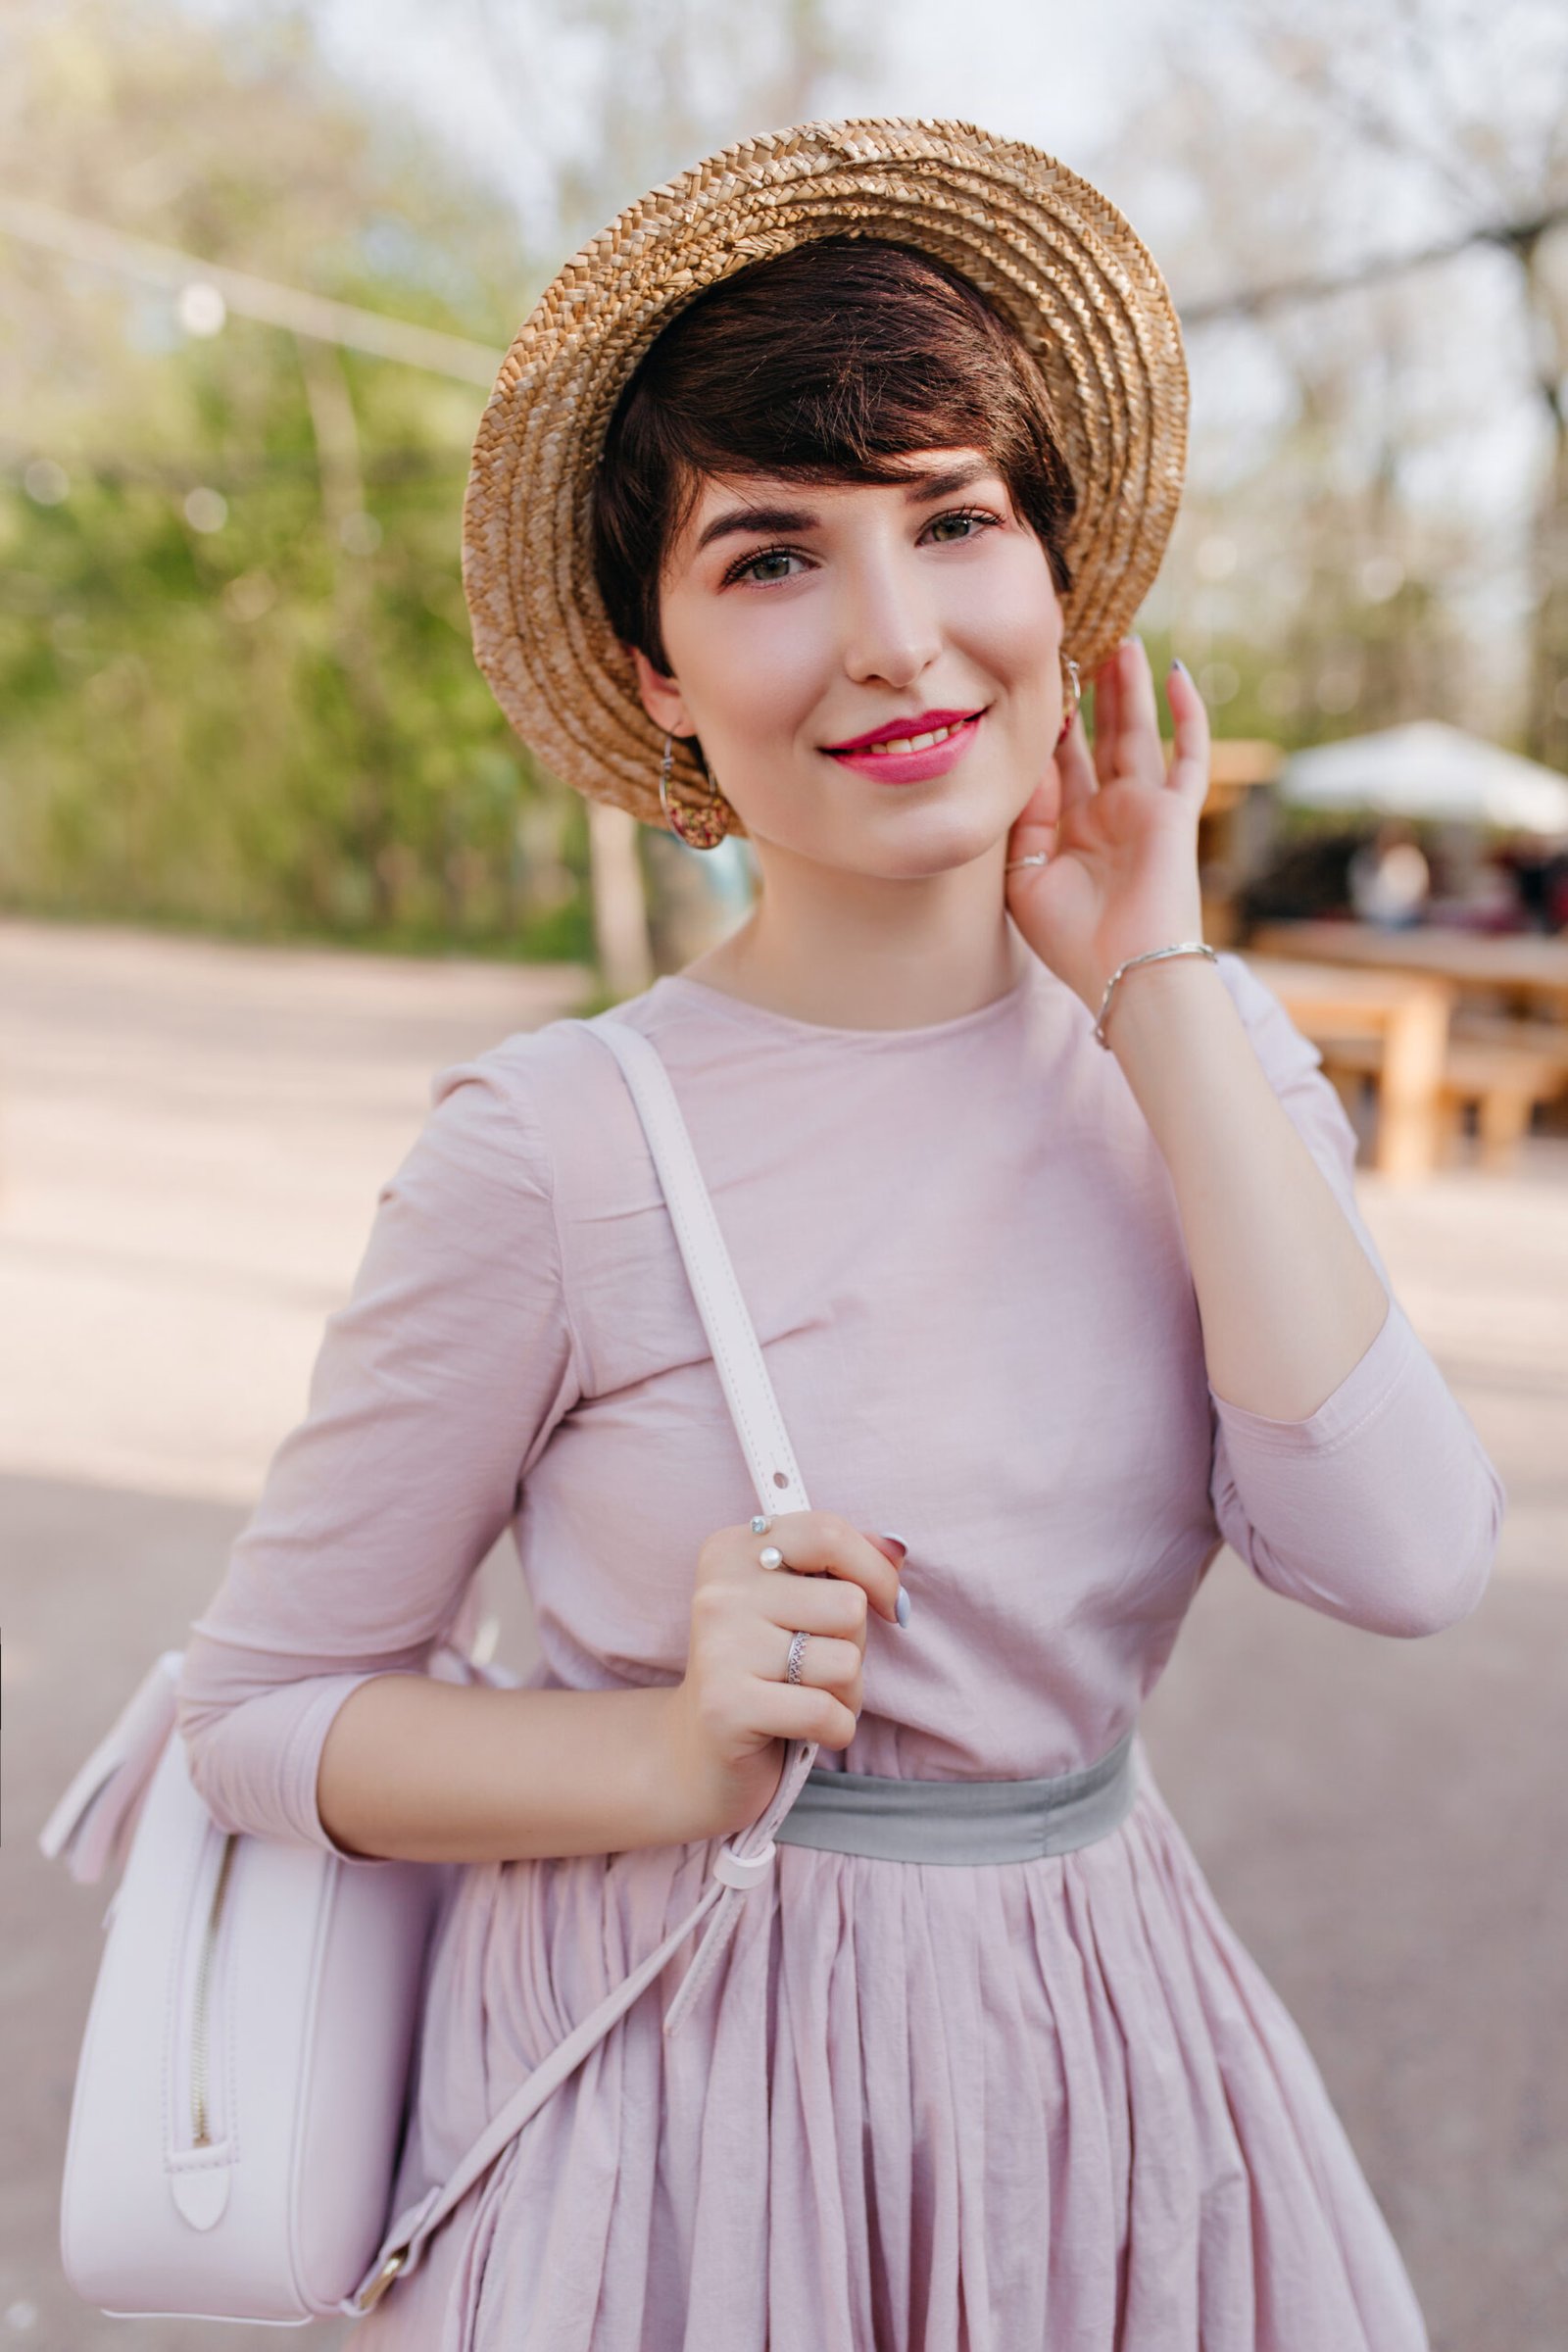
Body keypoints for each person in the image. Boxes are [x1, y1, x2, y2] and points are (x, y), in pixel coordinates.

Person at [173, 122, 1505, 2349]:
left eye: (954, 520)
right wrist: (653, 1753)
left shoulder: (1195, 1061)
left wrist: (1157, 988)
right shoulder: (551, 1148)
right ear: (659, 669)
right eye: (772, 556)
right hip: (669, 2128)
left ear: (1053, 581)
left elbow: (1400, 1557)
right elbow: (255, 1717)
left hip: (1097, 2088)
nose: (895, 637)